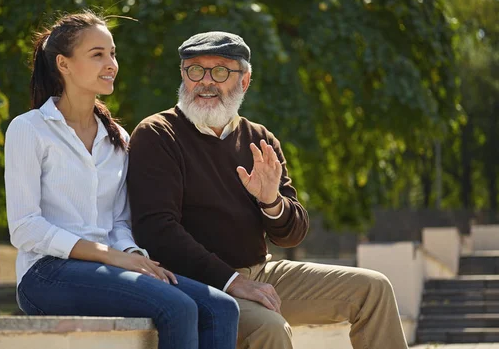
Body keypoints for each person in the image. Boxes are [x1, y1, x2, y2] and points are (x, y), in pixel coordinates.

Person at [127, 31, 410, 349]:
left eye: (220, 70)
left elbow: (292, 234)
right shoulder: (157, 135)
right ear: (182, 75)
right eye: (195, 69)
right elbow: (157, 232)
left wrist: (271, 201)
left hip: (263, 272)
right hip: (196, 282)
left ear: (244, 80)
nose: (206, 81)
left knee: (373, 289)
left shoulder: (259, 139)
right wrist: (234, 281)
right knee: (270, 328)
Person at [4, 13, 239, 349]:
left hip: (108, 269)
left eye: (112, 53)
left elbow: (118, 221)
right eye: (97, 54)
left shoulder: (117, 138)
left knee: (221, 308)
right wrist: (110, 256)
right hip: (47, 274)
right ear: (64, 64)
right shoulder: (29, 129)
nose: (111, 63)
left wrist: (132, 253)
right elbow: (25, 227)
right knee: (178, 307)